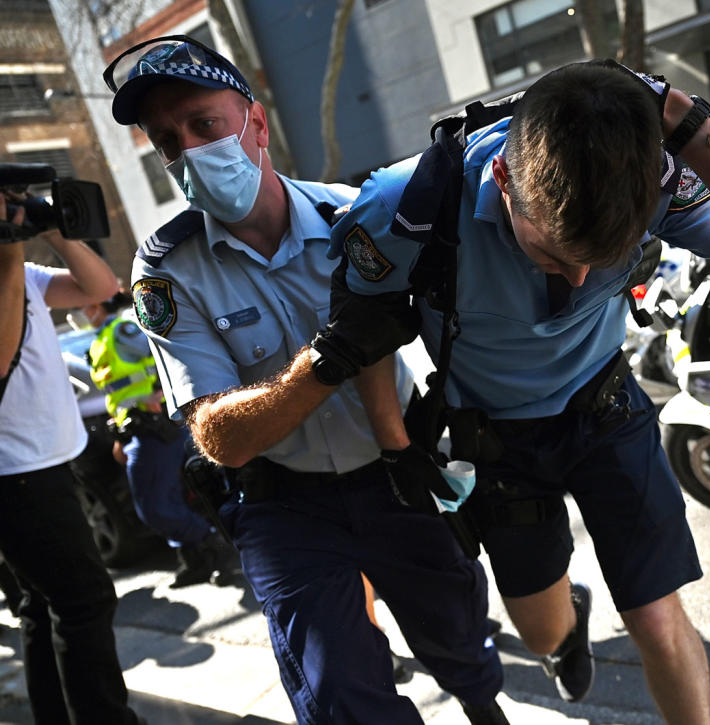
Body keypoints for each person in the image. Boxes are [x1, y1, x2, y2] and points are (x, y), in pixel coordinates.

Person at [310, 60, 710, 724]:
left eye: (603, 255)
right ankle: (568, 627)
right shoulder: (406, 206)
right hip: (496, 439)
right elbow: (368, 331)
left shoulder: (650, 177)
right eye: (555, 255)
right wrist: (398, 450)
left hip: (605, 409)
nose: (580, 275)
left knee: (654, 614)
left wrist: (688, 122)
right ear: (503, 179)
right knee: (540, 635)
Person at [103, 35, 508, 725]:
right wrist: (327, 361)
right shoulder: (166, 270)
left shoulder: (356, 214)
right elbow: (219, 437)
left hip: (396, 468)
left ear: (255, 125)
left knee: (463, 646)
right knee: (340, 696)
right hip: (284, 504)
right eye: (168, 141)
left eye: (205, 123)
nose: (190, 151)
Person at [0, 203, 143, 724]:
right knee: (84, 601)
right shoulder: (11, 271)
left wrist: (57, 232)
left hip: (48, 462)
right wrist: (11, 247)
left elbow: (101, 288)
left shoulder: (25, 274)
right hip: (16, 473)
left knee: (41, 606)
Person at [82, 291, 228, 587]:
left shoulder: (123, 329)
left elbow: (165, 354)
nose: (80, 313)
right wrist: (119, 436)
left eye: (83, 306)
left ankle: (212, 544)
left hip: (154, 427)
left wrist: (161, 395)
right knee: (164, 501)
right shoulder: (103, 338)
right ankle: (195, 560)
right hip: (136, 429)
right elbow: (119, 393)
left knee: (155, 507)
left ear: (96, 304)